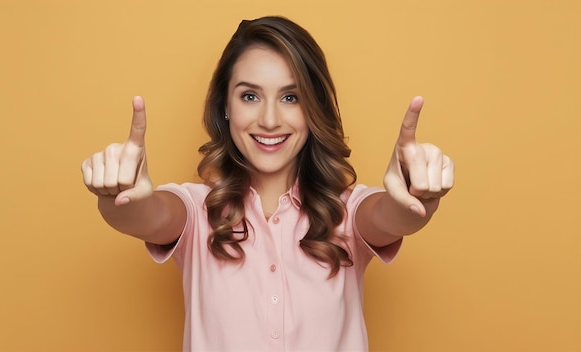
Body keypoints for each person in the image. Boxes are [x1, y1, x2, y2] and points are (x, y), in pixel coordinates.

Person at [81, 16, 454, 351]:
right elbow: (146, 214)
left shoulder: (348, 212)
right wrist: (119, 198)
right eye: (250, 96)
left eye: (290, 97)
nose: (270, 119)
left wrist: (415, 195)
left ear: (313, 108)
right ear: (225, 107)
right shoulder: (196, 211)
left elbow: (393, 216)